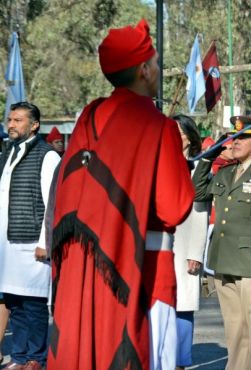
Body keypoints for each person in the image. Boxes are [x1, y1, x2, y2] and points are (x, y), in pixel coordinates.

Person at [47, 19, 195, 370]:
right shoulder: (158, 125)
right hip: (142, 273)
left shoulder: (88, 116)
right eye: (156, 63)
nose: (159, 70)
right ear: (144, 69)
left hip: (80, 272)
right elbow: (174, 208)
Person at [192, 116, 251, 370]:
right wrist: (209, 156)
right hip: (224, 260)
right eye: (234, 137)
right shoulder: (225, 172)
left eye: (243, 137)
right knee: (234, 329)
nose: (236, 141)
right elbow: (196, 192)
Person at [0, 102, 60, 370]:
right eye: (10, 119)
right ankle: (20, 356)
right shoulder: (9, 153)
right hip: (8, 242)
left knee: (33, 304)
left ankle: (36, 357)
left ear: (34, 125)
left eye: (18, 120)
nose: (11, 124)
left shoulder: (47, 155)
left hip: (32, 243)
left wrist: (44, 242)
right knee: (15, 303)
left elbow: (53, 201)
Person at [172, 114, 209, 369]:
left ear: (190, 137)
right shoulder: (157, 164)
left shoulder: (197, 169)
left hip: (185, 245)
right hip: (160, 244)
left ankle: (180, 361)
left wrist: (195, 252)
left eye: (179, 131)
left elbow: (200, 213)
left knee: (182, 306)